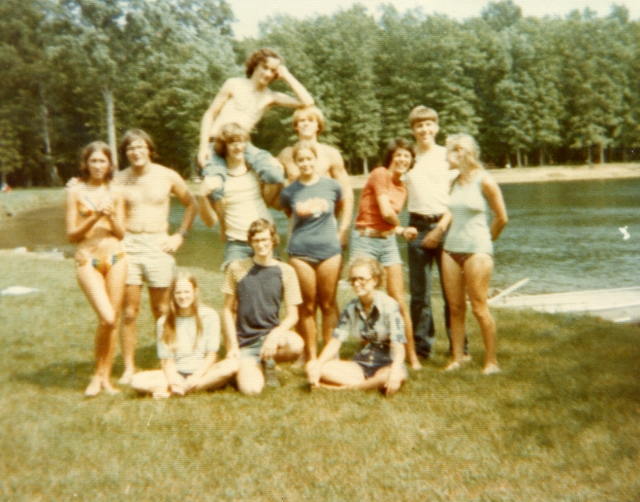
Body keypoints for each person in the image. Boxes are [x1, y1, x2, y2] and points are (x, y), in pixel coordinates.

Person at [113, 129, 197, 384]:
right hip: (129, 245)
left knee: (162, 309)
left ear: (149, 148)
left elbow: (192, 204)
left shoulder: (167, 175)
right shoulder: (118, 178)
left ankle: (168, 362)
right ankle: (129, 366)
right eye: (130, 148)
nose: (135, 152)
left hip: (159, 244)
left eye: (140, 147)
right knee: (129, 312)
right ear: (125, 153)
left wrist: (179, 235)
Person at [197, 48, 314, 216]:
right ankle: (226, 223)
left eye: (273, 70)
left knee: (275, 174)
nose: (267, 73)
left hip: (244, 146)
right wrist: (202, 148)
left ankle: (257, 213)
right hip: (216, 142)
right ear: (255, 65)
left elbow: (307, 102)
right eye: (264, 67)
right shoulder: (234, 84)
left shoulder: (270, 97)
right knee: (215, 189)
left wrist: (287, 75)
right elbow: (209, 114)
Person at [350, 138, 421, 369]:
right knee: (367, 298)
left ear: (411, 163)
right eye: (399, 155)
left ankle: (411, 356)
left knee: (399, 300)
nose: (402, 159)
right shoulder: (380, 173)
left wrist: (397, 229)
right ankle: (366, 351)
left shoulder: (403, 188)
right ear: (391, 157)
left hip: (387, 241)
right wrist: (401, 228)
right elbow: (386, 212)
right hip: (365, 239)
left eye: (407, 157)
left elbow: (391, 219)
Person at [441, 134, 508, 375]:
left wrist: (485, 242)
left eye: (448, 152)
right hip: (450, 250)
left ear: (461, 152)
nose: (445, 158)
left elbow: (502, 218)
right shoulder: (453, 183)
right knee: (456, 307)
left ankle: (491, 362)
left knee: (479, 307)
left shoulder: (485, 181)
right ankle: (457, 358)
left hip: (477, 251)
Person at [66, 141, 127, 396]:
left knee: (112, 323)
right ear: (86, 164)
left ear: (110, 165)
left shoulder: (117, 192)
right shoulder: (75, 192)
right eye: (94, 161)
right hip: (87, 260)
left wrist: (111, 216)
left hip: (116, 258)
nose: (98, 166)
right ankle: (96, 375)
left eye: (103, 161)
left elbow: (121, 233)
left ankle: (105, 379)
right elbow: (71, 235)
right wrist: (94, 216)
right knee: (108, 318)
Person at [403, 106, 461, 360]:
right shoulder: (407, 157)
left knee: (453, 292)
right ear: (413, 129)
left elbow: (459, 198)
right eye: (419, 125)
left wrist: (439, 229)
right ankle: (422, 348)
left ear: (436, 127)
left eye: (429, 124)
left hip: (447, 226)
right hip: (416, 226)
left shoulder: (448, 156)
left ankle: (459, 348)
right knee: (419, 294)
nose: (424, 129)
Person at [222, 218, 304, 395]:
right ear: (250, 242)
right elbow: (227, 310)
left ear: (273, 240)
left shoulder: (286, 271)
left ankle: (268, 361)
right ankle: (253, 365)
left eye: (265, 239)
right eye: (256, 240)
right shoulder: (237, 268)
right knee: (252, 390)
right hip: (245, 342)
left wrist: (275, 335)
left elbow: (293, 315)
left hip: (270, 339)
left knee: (297, 344)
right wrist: (233, 346)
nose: (261, 245)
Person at [280, 140, 343, 361]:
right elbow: (290, 213)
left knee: (327, 305)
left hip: (330, 252)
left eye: (309, 159)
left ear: (316, 160)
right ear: (295, 163)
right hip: (300, 254)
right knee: (307, 307)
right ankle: (309, 355)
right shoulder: (289, 191)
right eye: (300, 160)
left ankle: (329, 355)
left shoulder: (332, 186)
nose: (305, 163)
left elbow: (339, 208)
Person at [306, 257, 407, 395]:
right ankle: (368, 385)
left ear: (375, 280)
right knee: (313, 366)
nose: (357, 284)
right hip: (360, 364)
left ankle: (349, 387)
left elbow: (399, 346)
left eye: (362, 279)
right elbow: (335, 341)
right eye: (353, 279)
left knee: (394, 376)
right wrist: (317, 366)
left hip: (387, 364)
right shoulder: (350, 308)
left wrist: (395, 371)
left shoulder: (389, 306)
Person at [131, 273, 238, 397]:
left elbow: (212, 355)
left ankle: (176, 392)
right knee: (136, 381)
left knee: (232, 365)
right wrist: (173, 379)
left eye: (187, 292)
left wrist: (197, 376)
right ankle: (184, 388)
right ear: (173, 295)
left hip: (204, 372)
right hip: (177, 372)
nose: (183, 297)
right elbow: (167, 360)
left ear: (195, 292)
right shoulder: (164, 322)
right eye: (178, 293)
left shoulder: (210, 316)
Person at [198, 123, 275, 269]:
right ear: (224, 146)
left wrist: (276, 164)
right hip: (237, 243)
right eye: (233, 142)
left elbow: (272, 196)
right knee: (236, 289)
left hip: (265, 238)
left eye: (241, 141)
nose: (238, 147)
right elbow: (209, 222)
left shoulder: (256, 170)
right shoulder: (216, 179)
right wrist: (202, 196)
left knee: (272, 288)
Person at [278, 106, 354, 248]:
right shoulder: (286, 154)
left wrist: (344, 230)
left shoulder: (331, 153)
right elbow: (273, 184)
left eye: (311, 120)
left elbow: (347, 194)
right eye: (302, 120)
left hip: (326, 221)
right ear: (295, 126)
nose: (306, 123)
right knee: (297, 266)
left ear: (318, 125)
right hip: (297, 224)